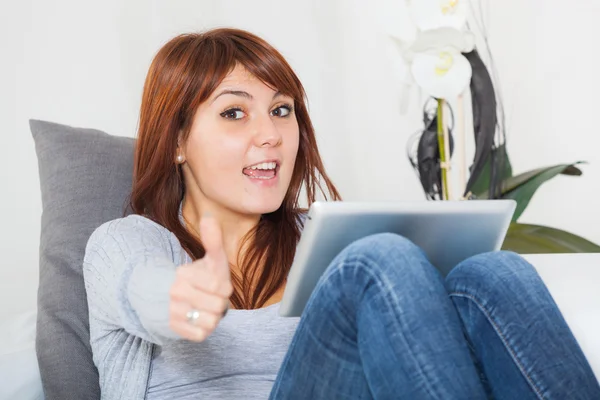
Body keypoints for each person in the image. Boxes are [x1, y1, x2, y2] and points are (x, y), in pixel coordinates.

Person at [82, 28, 600, 400]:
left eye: (281, 109)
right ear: (177, 141)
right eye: (234, 112)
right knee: (374, 260)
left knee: (492, 271)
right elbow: (137, 289)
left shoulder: (323, 239)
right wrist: (176, 298)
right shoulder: (129, 241)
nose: (271, 134)